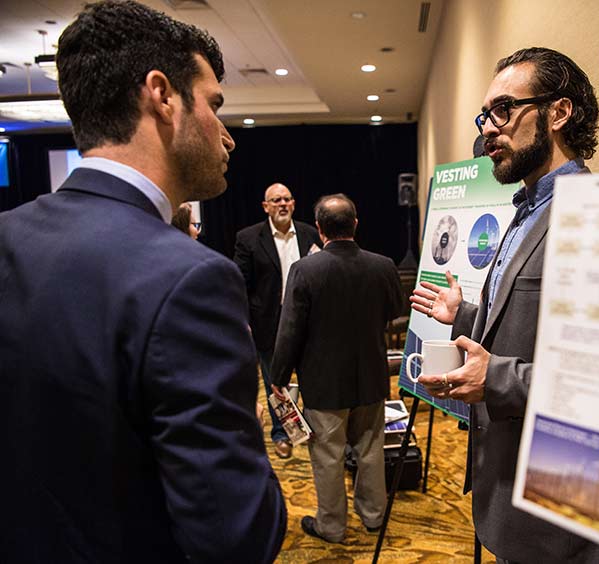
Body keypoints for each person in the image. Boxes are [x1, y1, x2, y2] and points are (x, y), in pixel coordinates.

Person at [0, 2, 286, 563]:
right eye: (215, 106)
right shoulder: (191, 278)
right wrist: (243, 433)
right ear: (162, 95)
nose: (227, 137)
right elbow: (240, 538)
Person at [411, 47, 599, 563]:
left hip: (557, 510)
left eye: (503, 110)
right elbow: (524, 323)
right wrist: (461, 315)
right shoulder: (525, 210)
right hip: (506, 488)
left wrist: (495, 379)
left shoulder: (597, 217)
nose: (488, 130)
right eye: (485, 116)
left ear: (559, 112)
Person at [270, 194, 404, 543]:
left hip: (324, 384)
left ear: (319, 228)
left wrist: (278, 378)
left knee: (328, 457)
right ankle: (374, 517)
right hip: (372, 378)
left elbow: (289, 331)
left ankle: (332, 526)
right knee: (372, 450)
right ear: (355, 224)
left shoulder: (304, 269)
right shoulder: (384, 265)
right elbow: (394, 311)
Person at [233, 182, 322, 459]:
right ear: (266, 206)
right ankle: (282, 434)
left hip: (308, 322)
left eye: (287, 199)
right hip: (268, 323)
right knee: (275, 383)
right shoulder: (248, 238)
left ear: (293, 204)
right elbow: (238, 283)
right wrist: (243, 319)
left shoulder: (309, 234)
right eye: (276, 200)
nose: (282, 204)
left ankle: (310, 428)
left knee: (312, 378)